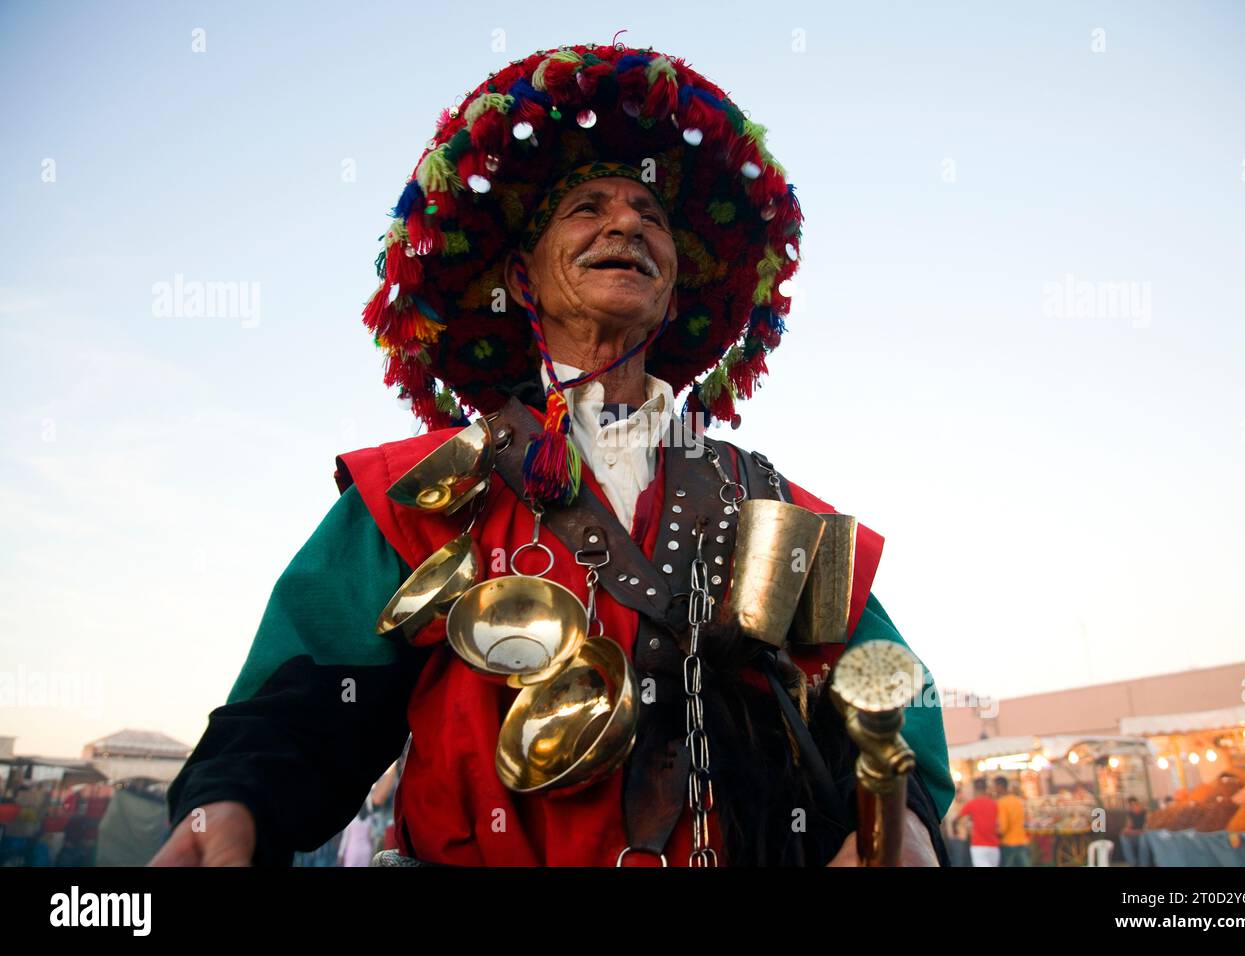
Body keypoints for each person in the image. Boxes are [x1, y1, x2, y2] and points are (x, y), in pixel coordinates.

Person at [152, 40, 952, 868]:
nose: (626, 224)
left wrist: (907, 830)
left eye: (651, 216)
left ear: (674, 287)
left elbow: (890, 699)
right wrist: (228, 807)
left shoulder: (773, 508)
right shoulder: (414, 497)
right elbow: (298, 707)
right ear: (520, 278)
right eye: (588, 208)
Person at [958, 778, 1001, 867]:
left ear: (975, 789)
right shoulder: (995, 803)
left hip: (978, 845)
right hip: (994, 846)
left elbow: (959, 819)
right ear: (986, 789)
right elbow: (999, 824)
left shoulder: (971, 803)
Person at [993, 775, 1030, 866]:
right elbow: (1024, 818)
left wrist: (996, 834)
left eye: (995, 787)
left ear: (999, 786)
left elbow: (1003, 827)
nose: (994, 789)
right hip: (1022, 840)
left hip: (1008, 842)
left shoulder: (1001, 802)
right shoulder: (1017, 800)